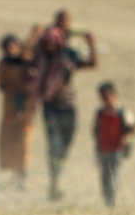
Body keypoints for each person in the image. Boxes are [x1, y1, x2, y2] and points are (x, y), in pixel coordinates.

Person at [31, 16, 97, 201]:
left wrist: (91, 43)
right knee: (54, 146)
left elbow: (92, 64)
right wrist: (34, 34)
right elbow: (24, 56)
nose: (51, 45)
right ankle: (54, 184)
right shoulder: (41, 58)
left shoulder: (68, 56)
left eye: (54, 41)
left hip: (68, 107)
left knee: (66, 144)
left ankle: (56, 179)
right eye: (48, 41)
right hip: (50, 108)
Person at [0, 29, 41, 189]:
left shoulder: (26, 61)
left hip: (26, 107)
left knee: (24, 140)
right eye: (8, 47)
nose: (11, 49)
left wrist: (34, 34)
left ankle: (23, 175)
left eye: (14, 46)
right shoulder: (4, 64)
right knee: (10, 140)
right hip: (10, 107)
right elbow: (1, 83)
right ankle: (15, 173)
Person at [93, 81, 135, 207]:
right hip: (103, 150)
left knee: (114, 176)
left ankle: (113, 201)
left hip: (117, 150)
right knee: (104, 177)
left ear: (114, 95)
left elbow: (134, 126)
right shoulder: (100, 113)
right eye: (103, 98)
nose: (106, 100)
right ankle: (107, 200)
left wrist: (126, 138)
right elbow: (96, 130)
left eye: (107, 97)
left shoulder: (122, 112)